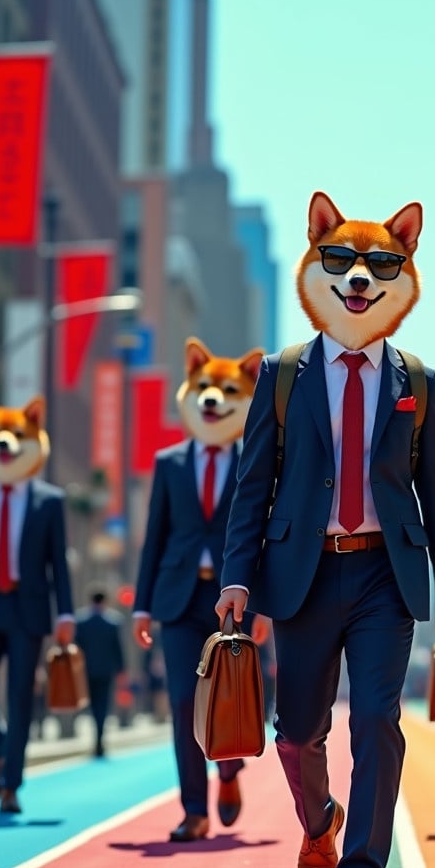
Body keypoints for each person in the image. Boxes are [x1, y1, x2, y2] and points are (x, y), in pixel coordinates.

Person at [217, 192, 435, 868]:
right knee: (295, 731)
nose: (358, 278)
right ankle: (319, 817)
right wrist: (237, 576)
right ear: (318, 263)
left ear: (401, 274)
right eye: (340, 260)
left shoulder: (418, 383)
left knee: (378, 724)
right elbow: (252, 484)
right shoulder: (283, 373)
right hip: (300, 573)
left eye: (380, 265)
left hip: (386, 576)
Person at [133, 340, 270, 841]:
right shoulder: (169, 463)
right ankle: (194, 809)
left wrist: (266, 605)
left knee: (232, 698)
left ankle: (229, 772)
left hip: (236, 598)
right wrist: (142, 606)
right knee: (183, 700)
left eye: (226, 389)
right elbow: (155, 537)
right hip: (177, 597)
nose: (213, 398)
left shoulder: (256, 460)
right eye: (204, 386)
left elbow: (264, 533)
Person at [0, 394, 75, 814]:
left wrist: (66, 614)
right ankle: (0, 753)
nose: (6, 443)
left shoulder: (49, 500)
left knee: (21, 695)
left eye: (17, 434)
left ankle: (11, 785)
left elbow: (59, 562)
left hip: (27, 608)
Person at [74, 588, 126, 757]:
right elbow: (117, 649)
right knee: (102, 705)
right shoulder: (112, 623)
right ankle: (99, 740)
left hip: (85, 671)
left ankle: (96, 739)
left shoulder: (81, 622)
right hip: (105, 670)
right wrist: (121, 670)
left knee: (90, 705)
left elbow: (77, 648)